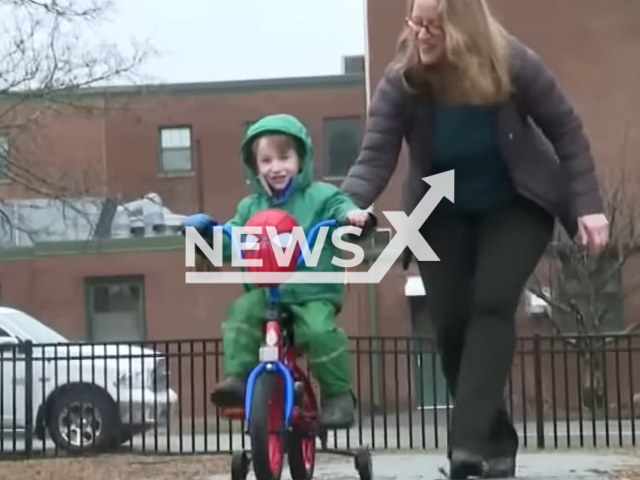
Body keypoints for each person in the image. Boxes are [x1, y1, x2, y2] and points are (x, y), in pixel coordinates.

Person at [339, 0, 610, 478]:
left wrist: (588, 204)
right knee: (450, 324)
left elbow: (566, 130)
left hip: (516, 206)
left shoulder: (513, 63)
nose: (420, 35)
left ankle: (465, 446)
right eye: (415, 23)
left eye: (433, 26)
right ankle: (496, 435)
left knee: (491, 303)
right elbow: (375, 153)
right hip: (440, 212)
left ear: (463, 27)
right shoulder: (403, 78)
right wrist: (351, 202)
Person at [183, 113, 373, 429]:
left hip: (312, 293)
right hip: (267, 293)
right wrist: (205, 234)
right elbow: (231, 239)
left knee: (319, 330)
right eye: (266, 160)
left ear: (301, 160)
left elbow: (343, 209)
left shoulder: (322, 197)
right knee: (240, 311)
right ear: (255, 167)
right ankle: (238, 378)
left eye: (284, 157)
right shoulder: (249, 208)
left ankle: (338, 396)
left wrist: (353, 217)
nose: (276, 167)